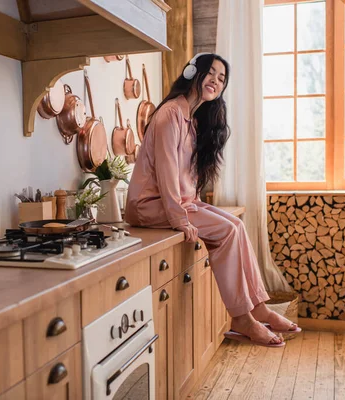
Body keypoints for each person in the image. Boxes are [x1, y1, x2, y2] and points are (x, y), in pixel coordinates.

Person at [124, 53, 300, 347]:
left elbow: (182, 180)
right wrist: (180, 219)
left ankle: (258, 308)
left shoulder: (190, 120)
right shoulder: (169, 114)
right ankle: (243, 318)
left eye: (222, 79)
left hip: (179, 202)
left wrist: (190, 206)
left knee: (237, 226)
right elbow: (167, 172)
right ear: (193, 72)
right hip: (149, 206)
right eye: (212, 73)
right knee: (228, 231)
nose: (217, 81)